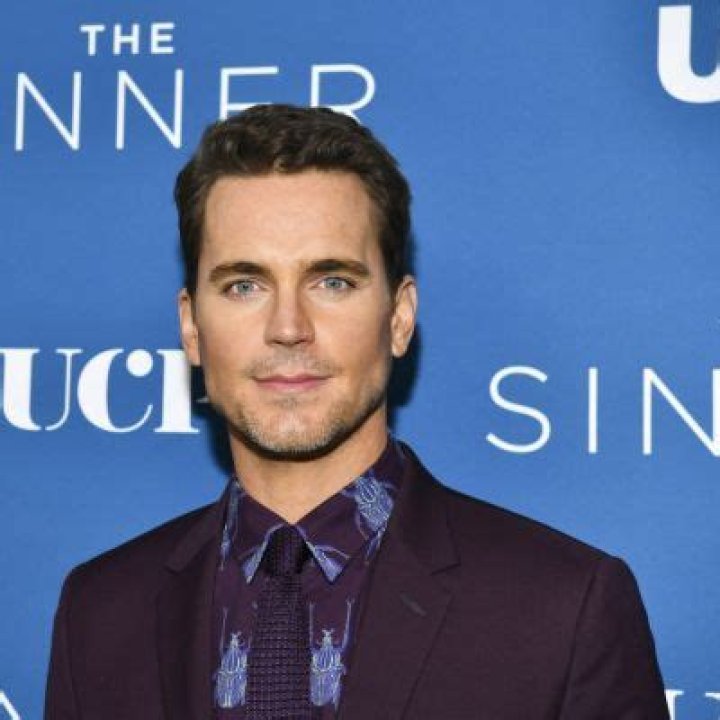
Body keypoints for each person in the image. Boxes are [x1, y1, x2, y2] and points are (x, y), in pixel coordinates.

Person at [45, 104, 670, 720]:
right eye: (245, 285)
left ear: (399, 317)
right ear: (191, 327)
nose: (288, 327)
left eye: (332, 281)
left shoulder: (563, 610)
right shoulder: (98, 614)